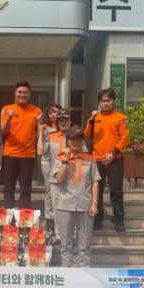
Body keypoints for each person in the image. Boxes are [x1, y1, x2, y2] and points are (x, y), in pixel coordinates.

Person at [52, 125, 100, 267]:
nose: (76, 142)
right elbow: (59, 179)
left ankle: (85, 271)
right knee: (66, 243)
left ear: (83, 141)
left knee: (84, 243)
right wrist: (66, 161)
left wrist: (94, 204)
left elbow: (95, 182)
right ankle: (67, 270)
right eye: (72, 139)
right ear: (67, 141)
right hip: (65, 204)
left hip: (85, 205)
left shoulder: (90, 159)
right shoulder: (60, 158)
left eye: (79, 139)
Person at [84, 88, 129, 231]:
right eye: (103, 101)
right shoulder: (94, 118)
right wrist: (91, 120)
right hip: (97, 159)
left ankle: (119, 220)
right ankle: (97, 220)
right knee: (97, 191)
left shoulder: (121, 117)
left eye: (108, 100)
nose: (105, 103)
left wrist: (112, 154)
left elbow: (125, 138)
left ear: (113, 101)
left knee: (116, 190)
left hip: (115, 159)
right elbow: (86, 136)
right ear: (99, 102)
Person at [0, 81, 43, 209]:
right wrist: (9, 118)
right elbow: (4, 131)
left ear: (29, 94)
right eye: (19, 92)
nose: (22, 95)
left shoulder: (37, 111)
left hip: (28, 155)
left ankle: (24, 216)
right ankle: (9, 216)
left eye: (25, 92)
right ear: (15, 94)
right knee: (9, 188)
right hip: (10, 154)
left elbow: (39, 134)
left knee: (25, 188)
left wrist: (40, 125)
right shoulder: (7, 109)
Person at [46, 110, 73, 245]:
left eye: (66, 119)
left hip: (72, 176)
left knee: (71, 207)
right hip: (55, 175)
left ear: (70, 121)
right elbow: (42, 152)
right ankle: (59, 236)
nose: (63, 122)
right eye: (61, 120)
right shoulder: (51, 136)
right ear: (57, 122)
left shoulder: (76, 136)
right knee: (57, 208)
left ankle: (71, 236)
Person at [37, 102, 62, 242]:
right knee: (49, 190)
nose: (53, 115)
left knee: (59, 191)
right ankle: (49, 218)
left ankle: (59, 219)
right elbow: (40, 147)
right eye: (51, 112)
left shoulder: (63, 126)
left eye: (56, 112)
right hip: (47, 161)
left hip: (61, 162)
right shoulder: (44, 127)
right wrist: (40, 128)